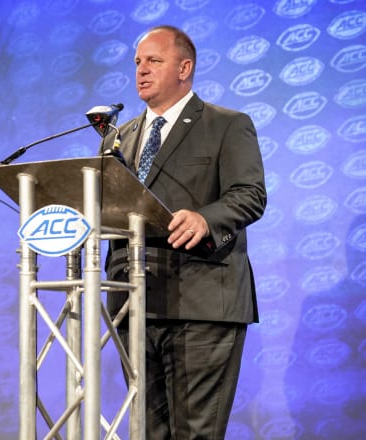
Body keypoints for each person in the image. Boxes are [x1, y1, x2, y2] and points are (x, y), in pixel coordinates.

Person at [101, 25, 267, 439]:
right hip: (134, 301)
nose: (141, 70)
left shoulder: (226, 125)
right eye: (138, 62)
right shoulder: (118, 137)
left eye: (154, 61)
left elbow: (250, 194)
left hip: (201, 300)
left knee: (194, 433)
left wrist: (205, 218)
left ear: (184, 67)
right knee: (147, 433)